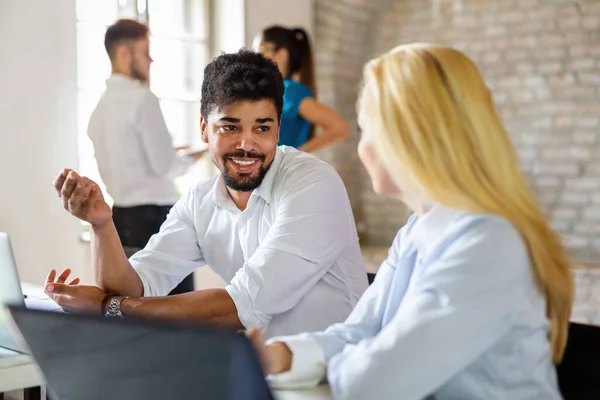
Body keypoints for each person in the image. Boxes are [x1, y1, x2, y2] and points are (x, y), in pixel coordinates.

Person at [248, 44, 574, 399]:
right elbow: (359, 333)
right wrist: (280, 355)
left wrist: (337, 361)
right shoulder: (417, 231)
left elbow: (377, 382)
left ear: (403, 137)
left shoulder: (489, 244)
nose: (362, 149)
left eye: (364, 130)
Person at [46, 50, 368, 339]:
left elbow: (239, 307)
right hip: (268, 375)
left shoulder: (313, 184)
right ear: (204, 128)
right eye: (230, 127)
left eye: (262, 128)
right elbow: (135, 286)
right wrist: (102, 224)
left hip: (336, 380)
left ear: (278, 129)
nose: (247, 144)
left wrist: (108, 309)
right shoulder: (200, 203)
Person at [89, 19, 205, 294]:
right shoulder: (143, 100)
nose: (151, 60)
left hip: (119, 220)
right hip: (156, 220)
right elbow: (165, 167)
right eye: (145, 51)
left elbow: (132, 159)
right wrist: (202, 152)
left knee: (130, 309)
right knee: (176, 313)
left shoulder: (99, 109)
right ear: (124, 54)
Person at [254, 26, 350, 152]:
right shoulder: (277, 91)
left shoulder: (290, 92)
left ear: (282, 55)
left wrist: (295, 157)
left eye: (261, 50)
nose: (255, 57)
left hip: (281, 171)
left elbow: (339, 127)